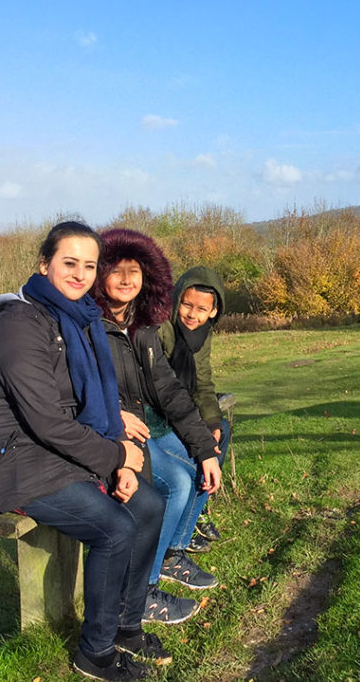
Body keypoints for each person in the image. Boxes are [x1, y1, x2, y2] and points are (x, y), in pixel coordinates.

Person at [0, 221, 167, 681]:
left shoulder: (81, 320)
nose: (80, 274)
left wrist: (117, 452)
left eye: (89, 265)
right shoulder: (19, 325)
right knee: (114, 529)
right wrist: (115, 458)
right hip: (11, 459)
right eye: (69, 263)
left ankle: (125, 626)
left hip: (57, 449)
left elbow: (97, 400)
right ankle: (94, 655)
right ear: (44, 264)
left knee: (149, 505)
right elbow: (45, 420)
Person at [92, 228, 223, 625]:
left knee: (197, 465)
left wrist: (205, 446)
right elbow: (71, 389)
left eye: (136, 270)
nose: (128, 279)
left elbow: (171, 390)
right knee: (176, 484)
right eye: (117, 270)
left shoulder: (142, 327)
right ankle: (141, 590)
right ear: (100, 275)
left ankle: (165, 559)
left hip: (134, 432)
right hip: (100, 438)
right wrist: (113, 416)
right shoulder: (88, 323)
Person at [155, 266, 231, 553]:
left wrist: (211, 420)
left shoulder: (203, 335)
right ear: (177, 301)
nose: (192, 314)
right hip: (161, 412)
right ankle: (176, 543)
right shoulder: (163, 328)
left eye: (201, 309)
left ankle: (193, 517)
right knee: (195, 461)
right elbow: (159, 384)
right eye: (187, 305)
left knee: (220, 433)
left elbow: (203, 382)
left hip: (182, 406)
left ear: (213, 312)